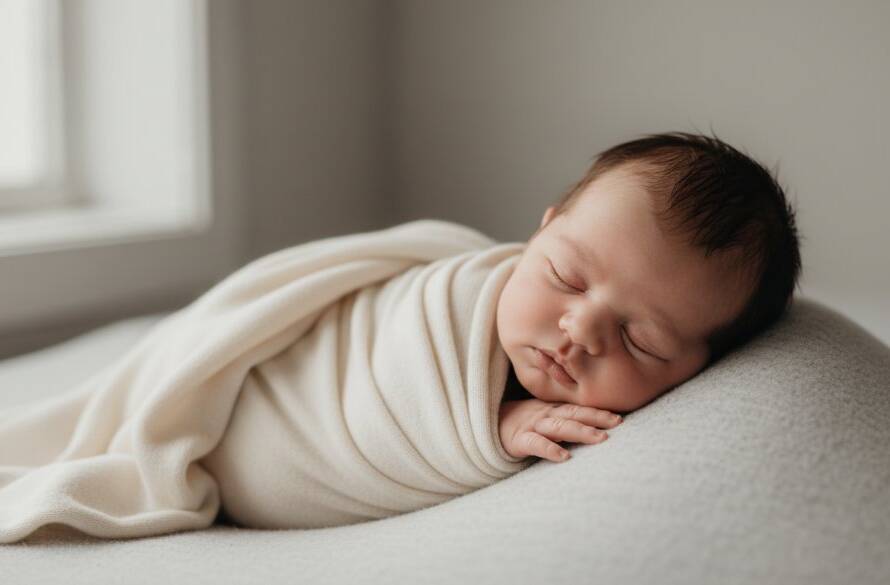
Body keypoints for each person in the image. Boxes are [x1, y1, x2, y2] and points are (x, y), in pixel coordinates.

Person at [496, 131, 802, 463]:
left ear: (699, 371)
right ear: (542, 231)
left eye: (640, 341)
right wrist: (493, 428)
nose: (582, 329)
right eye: (567, 277)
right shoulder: (449, 309)